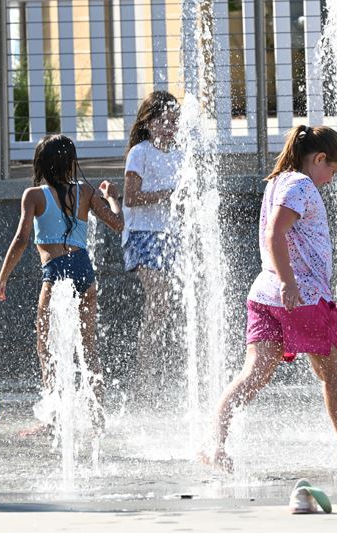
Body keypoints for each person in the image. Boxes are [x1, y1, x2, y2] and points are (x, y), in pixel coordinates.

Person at [201, 125, 337, 471]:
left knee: (253, 375)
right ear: (319, 158)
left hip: (264, 294)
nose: (331, 178)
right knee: (335, 374)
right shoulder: (301, 184)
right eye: (332, 170)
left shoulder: (278, 181)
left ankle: (215, 446)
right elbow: (276, 232)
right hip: (301, 296)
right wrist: (289, 283)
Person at [0, 134, 124, 434]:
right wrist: (113, 196)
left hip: (56, 272)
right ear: (71, 163)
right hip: (84, 272)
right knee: (89, 347)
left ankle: (53, 420)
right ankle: (98, 419)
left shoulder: (34, 195)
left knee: (46, 346)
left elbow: (22, 239)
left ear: (40, 163)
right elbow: (118, 224)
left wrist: (2, 278)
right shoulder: (86, 192)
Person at [122, 91, 183, 398]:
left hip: (170, 235)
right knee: (158, 297)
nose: (169, 126)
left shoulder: (180, 153)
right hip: (143, 234)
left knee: (167, 305)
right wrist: (166, 194)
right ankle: (145, 375)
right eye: (163, 120)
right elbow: (130, 198)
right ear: (147, 123)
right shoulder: (140, 153)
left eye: (174, 120)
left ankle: (159, 371)